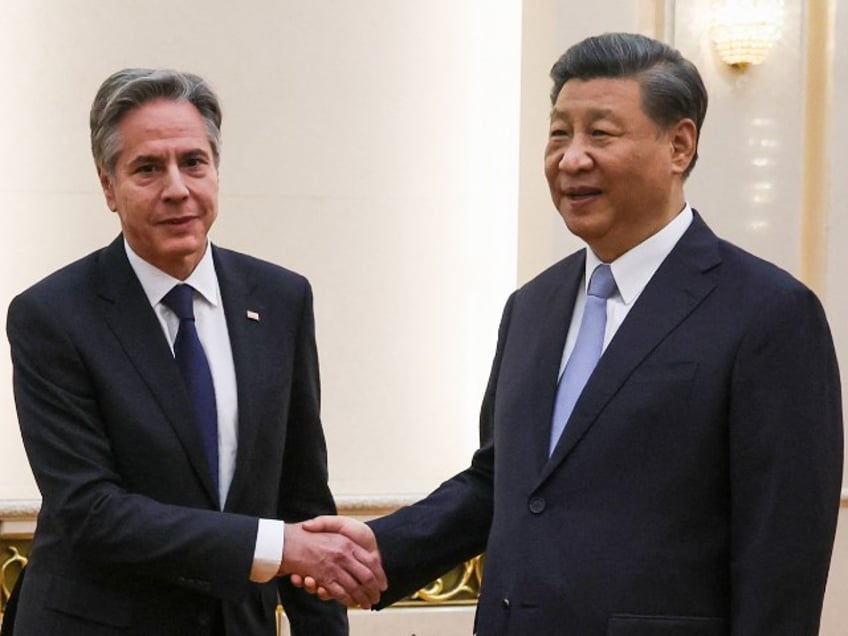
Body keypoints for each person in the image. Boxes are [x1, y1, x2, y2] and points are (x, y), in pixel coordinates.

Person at [298, 32, 844, 634]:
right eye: (560, 133)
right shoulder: (531, 307)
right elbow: (503, 483)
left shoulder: (768, 313)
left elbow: (782, 555)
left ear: (679, 145)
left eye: (601, 134)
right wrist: (381, 547)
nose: (571, 158)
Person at [5, 68, 385, 636]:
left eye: (193, 161)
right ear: (108, 187)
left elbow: (301, 493)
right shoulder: (52, 315)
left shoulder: (280, 299)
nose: (177, 188)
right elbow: (91, 512)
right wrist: (276, 547)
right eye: (148, 168)